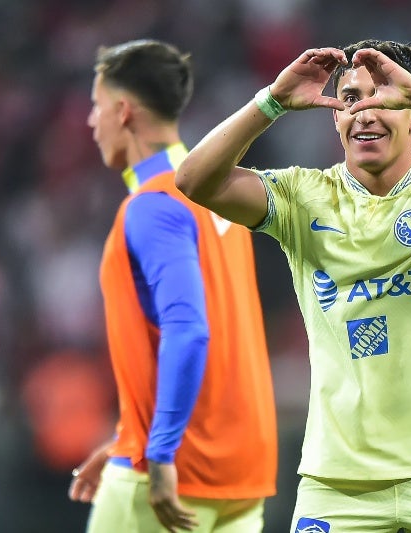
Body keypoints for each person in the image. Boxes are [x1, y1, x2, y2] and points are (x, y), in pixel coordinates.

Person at [175, 39, 411, 532]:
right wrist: (272, 101)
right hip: (335, 482)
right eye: (349, 101)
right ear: (335, 118)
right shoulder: (304, 197)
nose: (362, 113)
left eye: (381, 99)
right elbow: (194, 180)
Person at [67, 39, 278, 533]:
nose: (91, 122)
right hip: (242, 473)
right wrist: (129, 433)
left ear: (123, 112)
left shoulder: (153, 204)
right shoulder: (222, 197)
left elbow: (189, 329)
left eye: (96, 107)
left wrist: (156, 449)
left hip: (172, 473)